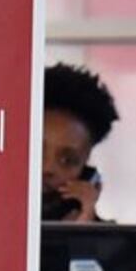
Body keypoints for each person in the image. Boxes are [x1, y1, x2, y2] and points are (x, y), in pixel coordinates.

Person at [41, 62, 118, 224]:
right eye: (35, 152)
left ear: (85, 173)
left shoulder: (109, 243)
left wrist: (83, 229)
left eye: (67, 160)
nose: (48, 169)